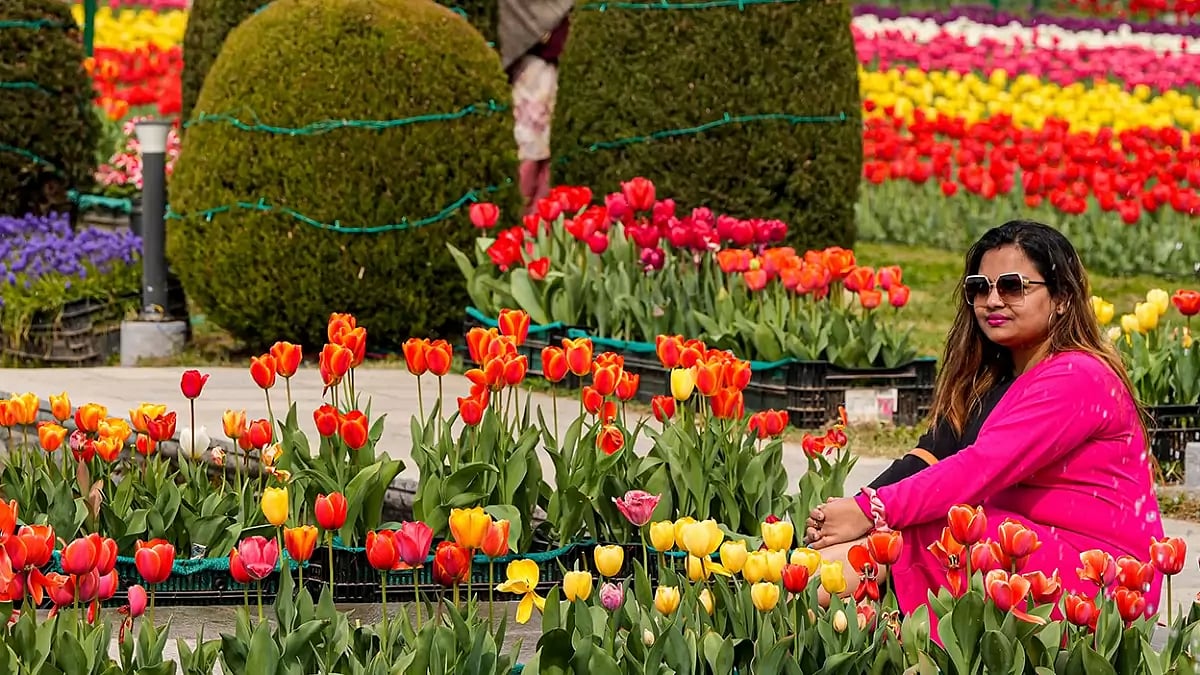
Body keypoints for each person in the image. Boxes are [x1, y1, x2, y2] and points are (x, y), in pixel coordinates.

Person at [804, 220, 1164, 617]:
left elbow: (978, 469)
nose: (992, 300)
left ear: (1062, 297)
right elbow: (936, 456)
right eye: (980, 287)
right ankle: (795, 596)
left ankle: (784, 594)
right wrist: (862, 512)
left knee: (949, 529)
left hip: (1106, 582)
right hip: (1047, 553)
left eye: (1013, 287)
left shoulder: (1078, 377)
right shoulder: (1007, 379)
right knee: (941, 527)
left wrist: (871, 509)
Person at [498, 0, 573, 214]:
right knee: (527, 148)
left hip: (558, 77)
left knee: (551, 154)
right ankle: (517, 218)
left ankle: (540, 224)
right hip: (531, 76)